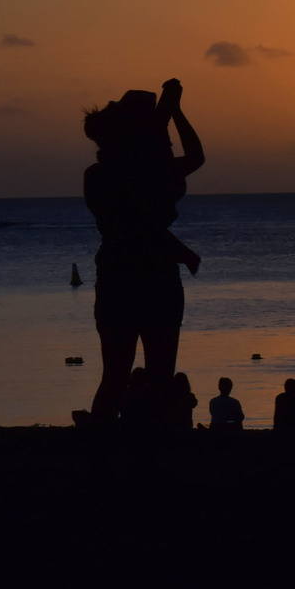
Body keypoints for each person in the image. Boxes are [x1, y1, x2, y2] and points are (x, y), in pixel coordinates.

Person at [74, 78, 205, 427]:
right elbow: (193, 158)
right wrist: (173, 112)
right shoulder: (142, 172)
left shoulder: (99, 175)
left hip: (118, 277)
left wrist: (169, 113)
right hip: (152, 277)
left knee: (116, 376)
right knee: (155, 376)